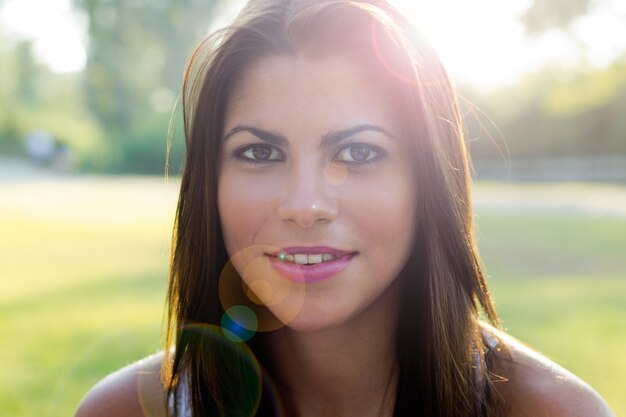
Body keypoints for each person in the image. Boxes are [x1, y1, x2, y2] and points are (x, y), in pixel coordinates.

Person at [75, 0, 615, 416]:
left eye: (359, 153)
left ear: (426, 181)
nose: (305, 205)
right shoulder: (122, 411)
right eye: (259, 152)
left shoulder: (554, 411)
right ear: (208, 186)